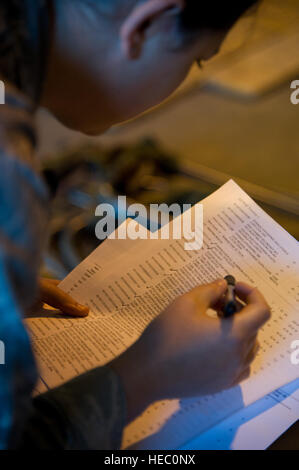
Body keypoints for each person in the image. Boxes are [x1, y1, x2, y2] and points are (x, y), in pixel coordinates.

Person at [0, 0, 270, 450]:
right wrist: (142, 378)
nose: (189, 71)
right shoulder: (9, 169)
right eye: (197, 58)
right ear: (145, 24)